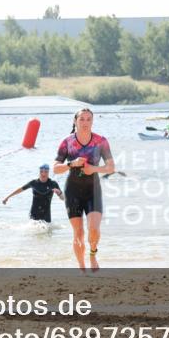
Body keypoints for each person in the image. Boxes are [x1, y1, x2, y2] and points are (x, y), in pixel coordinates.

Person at [53, 108, 115, 272]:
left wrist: (93, 169)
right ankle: (81, 267)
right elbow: (55, 169)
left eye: (89, 119)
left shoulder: (100, 141)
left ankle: (93, 254)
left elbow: (110, 167)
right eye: (82, 119)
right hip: (72, 191)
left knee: (94, 230)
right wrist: (70, 164)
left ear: (92, 121)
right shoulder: (67, 142)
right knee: (78, 233)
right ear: (75, 121)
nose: (85, 123)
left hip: (93, 191)